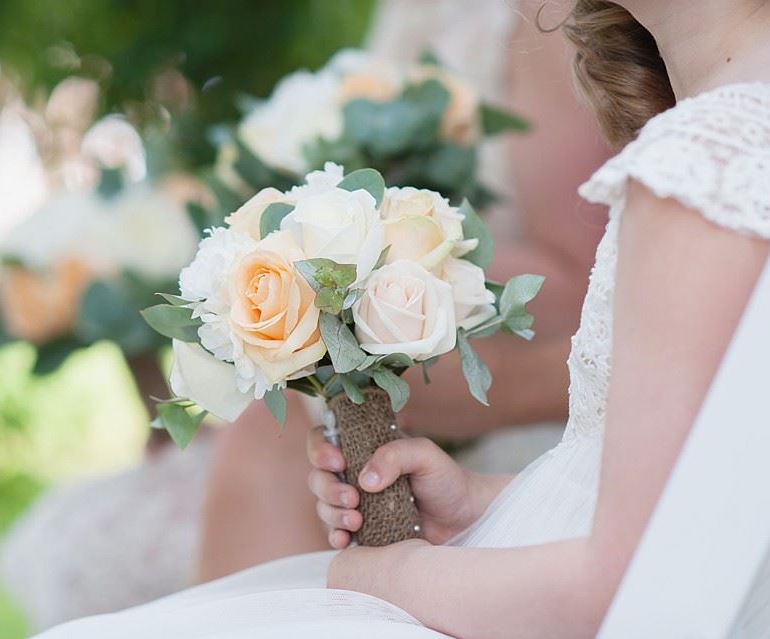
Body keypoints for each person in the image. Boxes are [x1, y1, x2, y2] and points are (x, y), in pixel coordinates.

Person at [33, 0, 770, 636]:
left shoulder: (699, 167)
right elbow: (711, 493)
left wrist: (388, 578)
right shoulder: (731, 128)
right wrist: (478, 501)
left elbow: (627, 589)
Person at [196, 0, 611, 581]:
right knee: (274, 424)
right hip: (382, 379)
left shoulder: (550, 20)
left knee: (279, 434)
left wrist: (379, 264)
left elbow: (588, 282)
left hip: (518, 376)